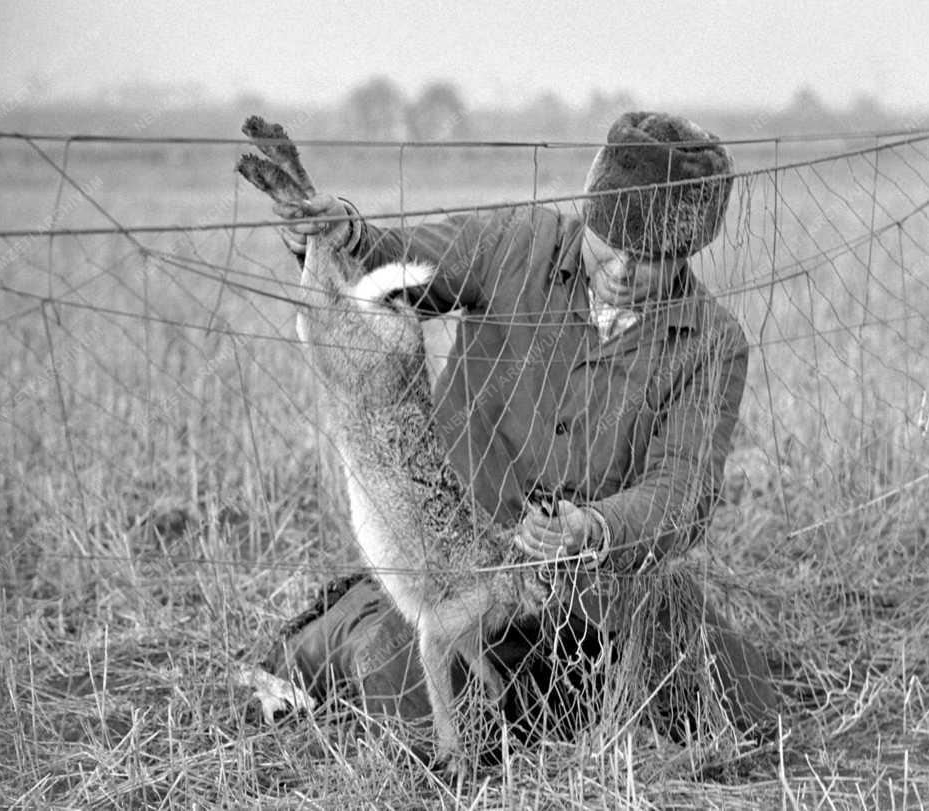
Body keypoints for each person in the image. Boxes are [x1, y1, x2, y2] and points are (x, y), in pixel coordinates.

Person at [257, 112, 778, 749]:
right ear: (589, 210)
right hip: (459, 558)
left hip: (594, 579)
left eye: (651, 256)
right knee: (411, 693)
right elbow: (406, 262)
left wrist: (595, 526)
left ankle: (545, 693)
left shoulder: (711, 343)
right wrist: (344, 233)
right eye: (608, 238)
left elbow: (683, 490)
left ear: (689, 250)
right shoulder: (517, 241)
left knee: (742, 706)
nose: (620, 266)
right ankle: (342, 627)